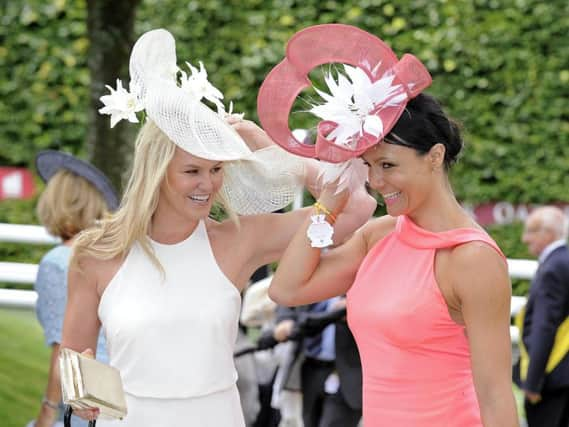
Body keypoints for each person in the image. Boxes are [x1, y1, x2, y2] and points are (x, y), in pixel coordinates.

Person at [60, 29, 375, 426]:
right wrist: (81, 393)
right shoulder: (95, 254)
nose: (207, 184)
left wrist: (262, 144)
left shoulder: (239, 240)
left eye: (216, 169)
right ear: (155, 173)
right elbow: (73, 360)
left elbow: (357, 206)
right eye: (192, 170)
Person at [263, 24, 519, 427]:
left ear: (434, 157)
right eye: (367, 166)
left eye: (388, 165)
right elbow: (287, 288)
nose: (376, 182)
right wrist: (330, 197)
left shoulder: (473, 259)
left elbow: (495, 393)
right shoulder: (379, 235)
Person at [28, 151, 118, 427]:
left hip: (86, 399)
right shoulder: (111, 255)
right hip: (121, 391)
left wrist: (47, 411)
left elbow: (64, 351)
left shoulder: (59, 262)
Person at [514, 206, 569, 426]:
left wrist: (532, 383)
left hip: (551, 378)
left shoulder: (553, 268)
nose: (525, 238)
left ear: (548, 233)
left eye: (531, 231)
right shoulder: (563, 260)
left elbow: (544, 328)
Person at [273, 297, 362, 427]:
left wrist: (357, 304)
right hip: (310, 367)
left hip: (348, 371)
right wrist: (285, 320)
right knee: (308, 421)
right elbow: (286, 302)